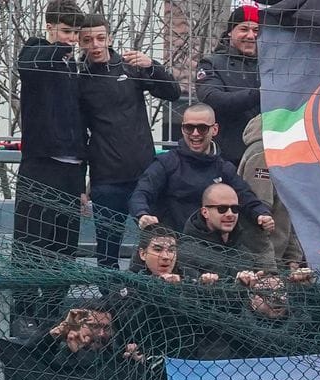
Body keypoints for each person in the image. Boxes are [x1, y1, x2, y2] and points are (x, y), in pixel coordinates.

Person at [78, 13, 181, 270]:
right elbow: (78, 134)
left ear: (109, 38)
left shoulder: (130, 66)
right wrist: (81, 182)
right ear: (80, 43)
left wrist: (152, 65)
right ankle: (110, 295)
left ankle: (147, 292)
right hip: (106, 179)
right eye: (88, 40)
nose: (95, 45)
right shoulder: (79, 79)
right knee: (107, 252)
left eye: (100, 38)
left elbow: (172, 92)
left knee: (159, 245)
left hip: (144, 176)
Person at [13, 0, 86, 327]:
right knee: (31, 242)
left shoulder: (76, 68)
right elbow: (28, 64)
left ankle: (52, 313)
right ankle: (25, 314)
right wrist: (60, 48)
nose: (72, 39)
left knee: (64, 247)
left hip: (72, 170)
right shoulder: (36, 51)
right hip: (41, 165)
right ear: (50, 27)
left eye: (76, 33)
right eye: (67, 31)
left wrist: (82, 181)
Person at [129, 103, 274, 232]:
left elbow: (245, 196)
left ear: (214, 129)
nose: (195, 133)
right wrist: (142, 214)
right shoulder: (165, 163)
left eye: (202, 128)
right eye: (189, 128)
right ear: (182, 129)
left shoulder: (224, 168)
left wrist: (261, 214)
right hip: (171, 243)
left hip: (212, 246)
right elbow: (141, 193)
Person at [182, 183, 286, 318]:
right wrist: (237, 287)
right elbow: (190, 301)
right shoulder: (187, 251)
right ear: (205, 212)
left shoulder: (248, 245)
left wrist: (264, 285)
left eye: (235, 209)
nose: (230, 214)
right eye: (222, 209)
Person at [239, 114, 308, 274]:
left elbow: (285, 211)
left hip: (278, 261)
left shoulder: (280, 154)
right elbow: (259, 220)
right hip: (262, 267)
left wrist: (292, 257)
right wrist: (268, 268)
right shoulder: (263, 154)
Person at [196, 5, 262, 167]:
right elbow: (212, 98)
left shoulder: (273, 65)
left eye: (256, 30)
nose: (251, 35)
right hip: (226, 158)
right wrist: (260, 93)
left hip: (267, 155)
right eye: (244, 29)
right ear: (230, 32)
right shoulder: (211, 63)